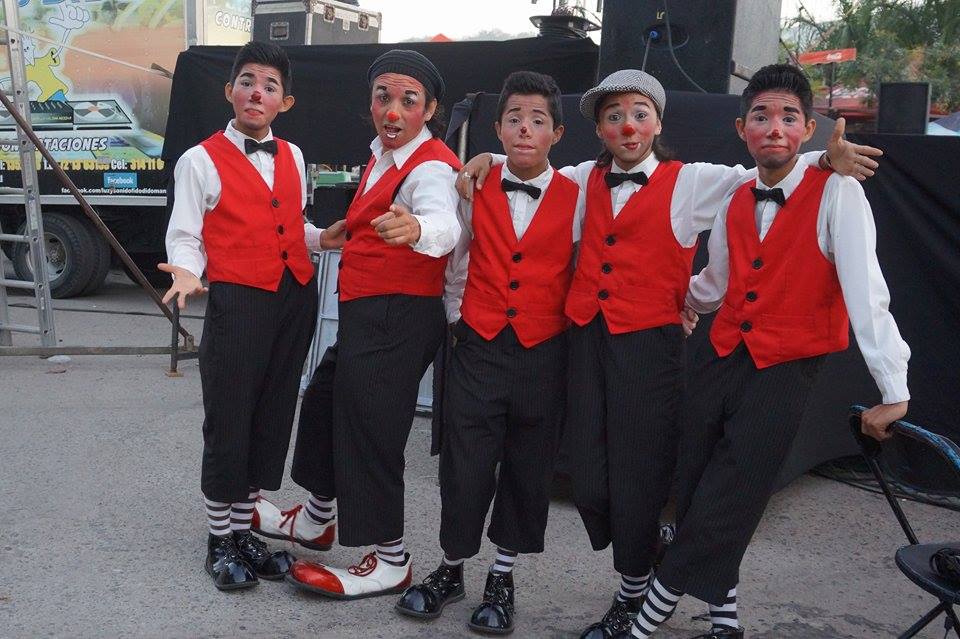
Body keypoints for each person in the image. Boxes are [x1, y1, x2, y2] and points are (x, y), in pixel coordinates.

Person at [458, 69, 879, 638]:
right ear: (599, 129)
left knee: (638, 478)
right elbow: (530, 165)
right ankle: (659, 561)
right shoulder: (580, 179)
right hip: (586, 339)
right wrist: (485, 158)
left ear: (657, 123)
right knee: (590, 479)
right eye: (614, 116)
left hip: (649, 348)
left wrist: (823, 161)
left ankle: (634, 590)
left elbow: (764, 172)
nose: (627, 126)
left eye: (639, 114)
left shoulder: (693, 181)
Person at [627, 64, 910, 639]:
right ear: (741, 129)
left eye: (788, 117)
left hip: (786, 364)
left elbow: (867, 291)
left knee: (731, 494)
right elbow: (717, 279)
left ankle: (647, 617)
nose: (774, 128)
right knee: (696, 482)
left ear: (808, 128)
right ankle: (725, 620)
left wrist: (893, 386)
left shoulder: (839, 191)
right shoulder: (736, 194)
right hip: (721, 353)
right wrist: (684, 303)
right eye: (761, 116)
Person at [254, 49, 463, 600]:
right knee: (325, 400)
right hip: (369, 310)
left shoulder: (432, 166)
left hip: (400, 313)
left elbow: (444, 223)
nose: (393, 111)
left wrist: (418, 229)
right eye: (382, 97)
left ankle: (391, 560)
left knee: (372, 429)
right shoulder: (382, 156)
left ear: (429, 109)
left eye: (408, 101)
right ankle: (317, 519)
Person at [394, 70, 583, 635]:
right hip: (478, 343)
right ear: (498, 128)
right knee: (464, 464)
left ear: (557, 133)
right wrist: (459, 321)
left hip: (544, 350)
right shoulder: (472, 185)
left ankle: (502, 576)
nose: (525, 128)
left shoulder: (579, 194)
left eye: (538, 120)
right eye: (514, 118)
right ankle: (451, 567)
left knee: (528, 467)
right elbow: (457, 259)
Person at [160, 41, 344, 591]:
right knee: (230, 417)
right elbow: (186, 233)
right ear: (229, 91)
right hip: (239, 299)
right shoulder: (199, 160)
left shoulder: (294, 155)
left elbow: (290, 223)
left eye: (268, 85)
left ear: (284, 101)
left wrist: (321, 238)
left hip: (293, 297)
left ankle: (244, 532)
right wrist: (187, 271)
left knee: (271, 415)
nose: (256, 93)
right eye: (246, 82)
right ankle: (219, 539)